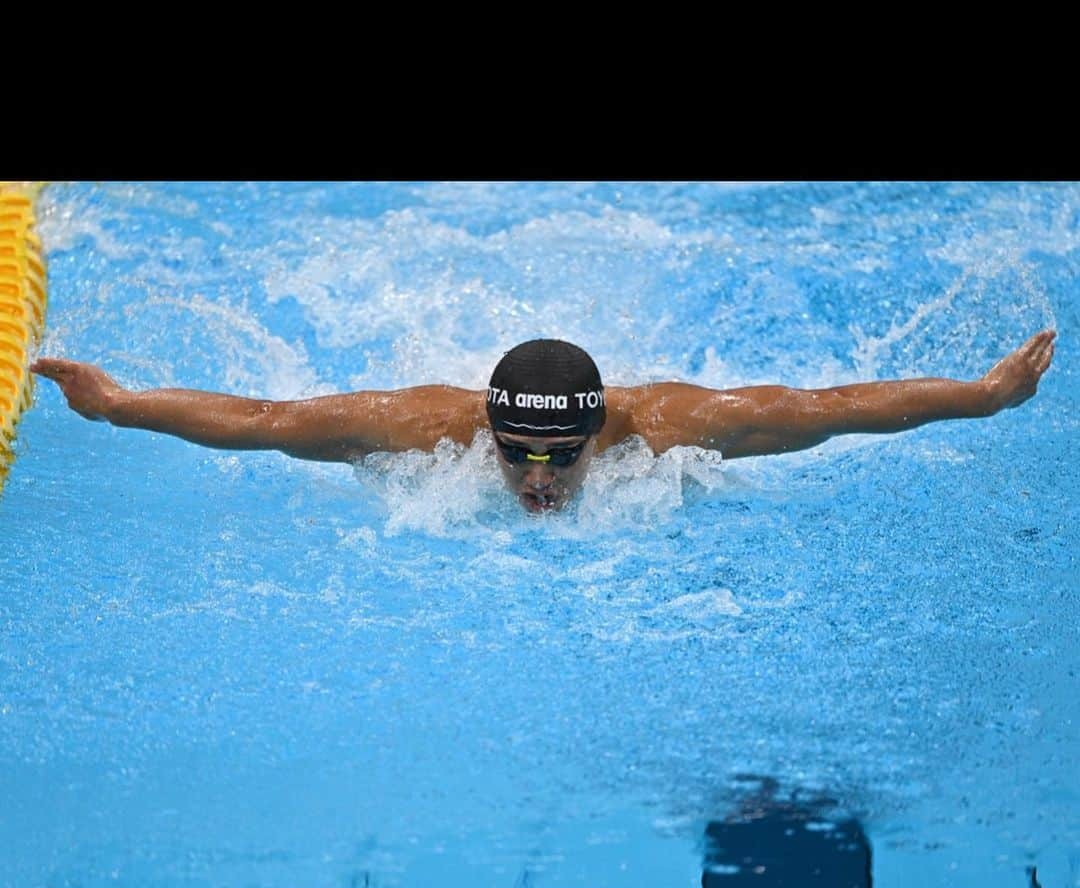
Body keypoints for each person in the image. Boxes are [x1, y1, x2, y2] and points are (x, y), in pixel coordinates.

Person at [31, 331, 1056, 514]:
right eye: (515, 457)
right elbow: (266, 419)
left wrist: (985, 395)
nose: (534, 484)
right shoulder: (427, 428)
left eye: (556, 466)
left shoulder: (664, 432)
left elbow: (835, 409)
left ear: (594, 436)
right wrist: (116, 407)